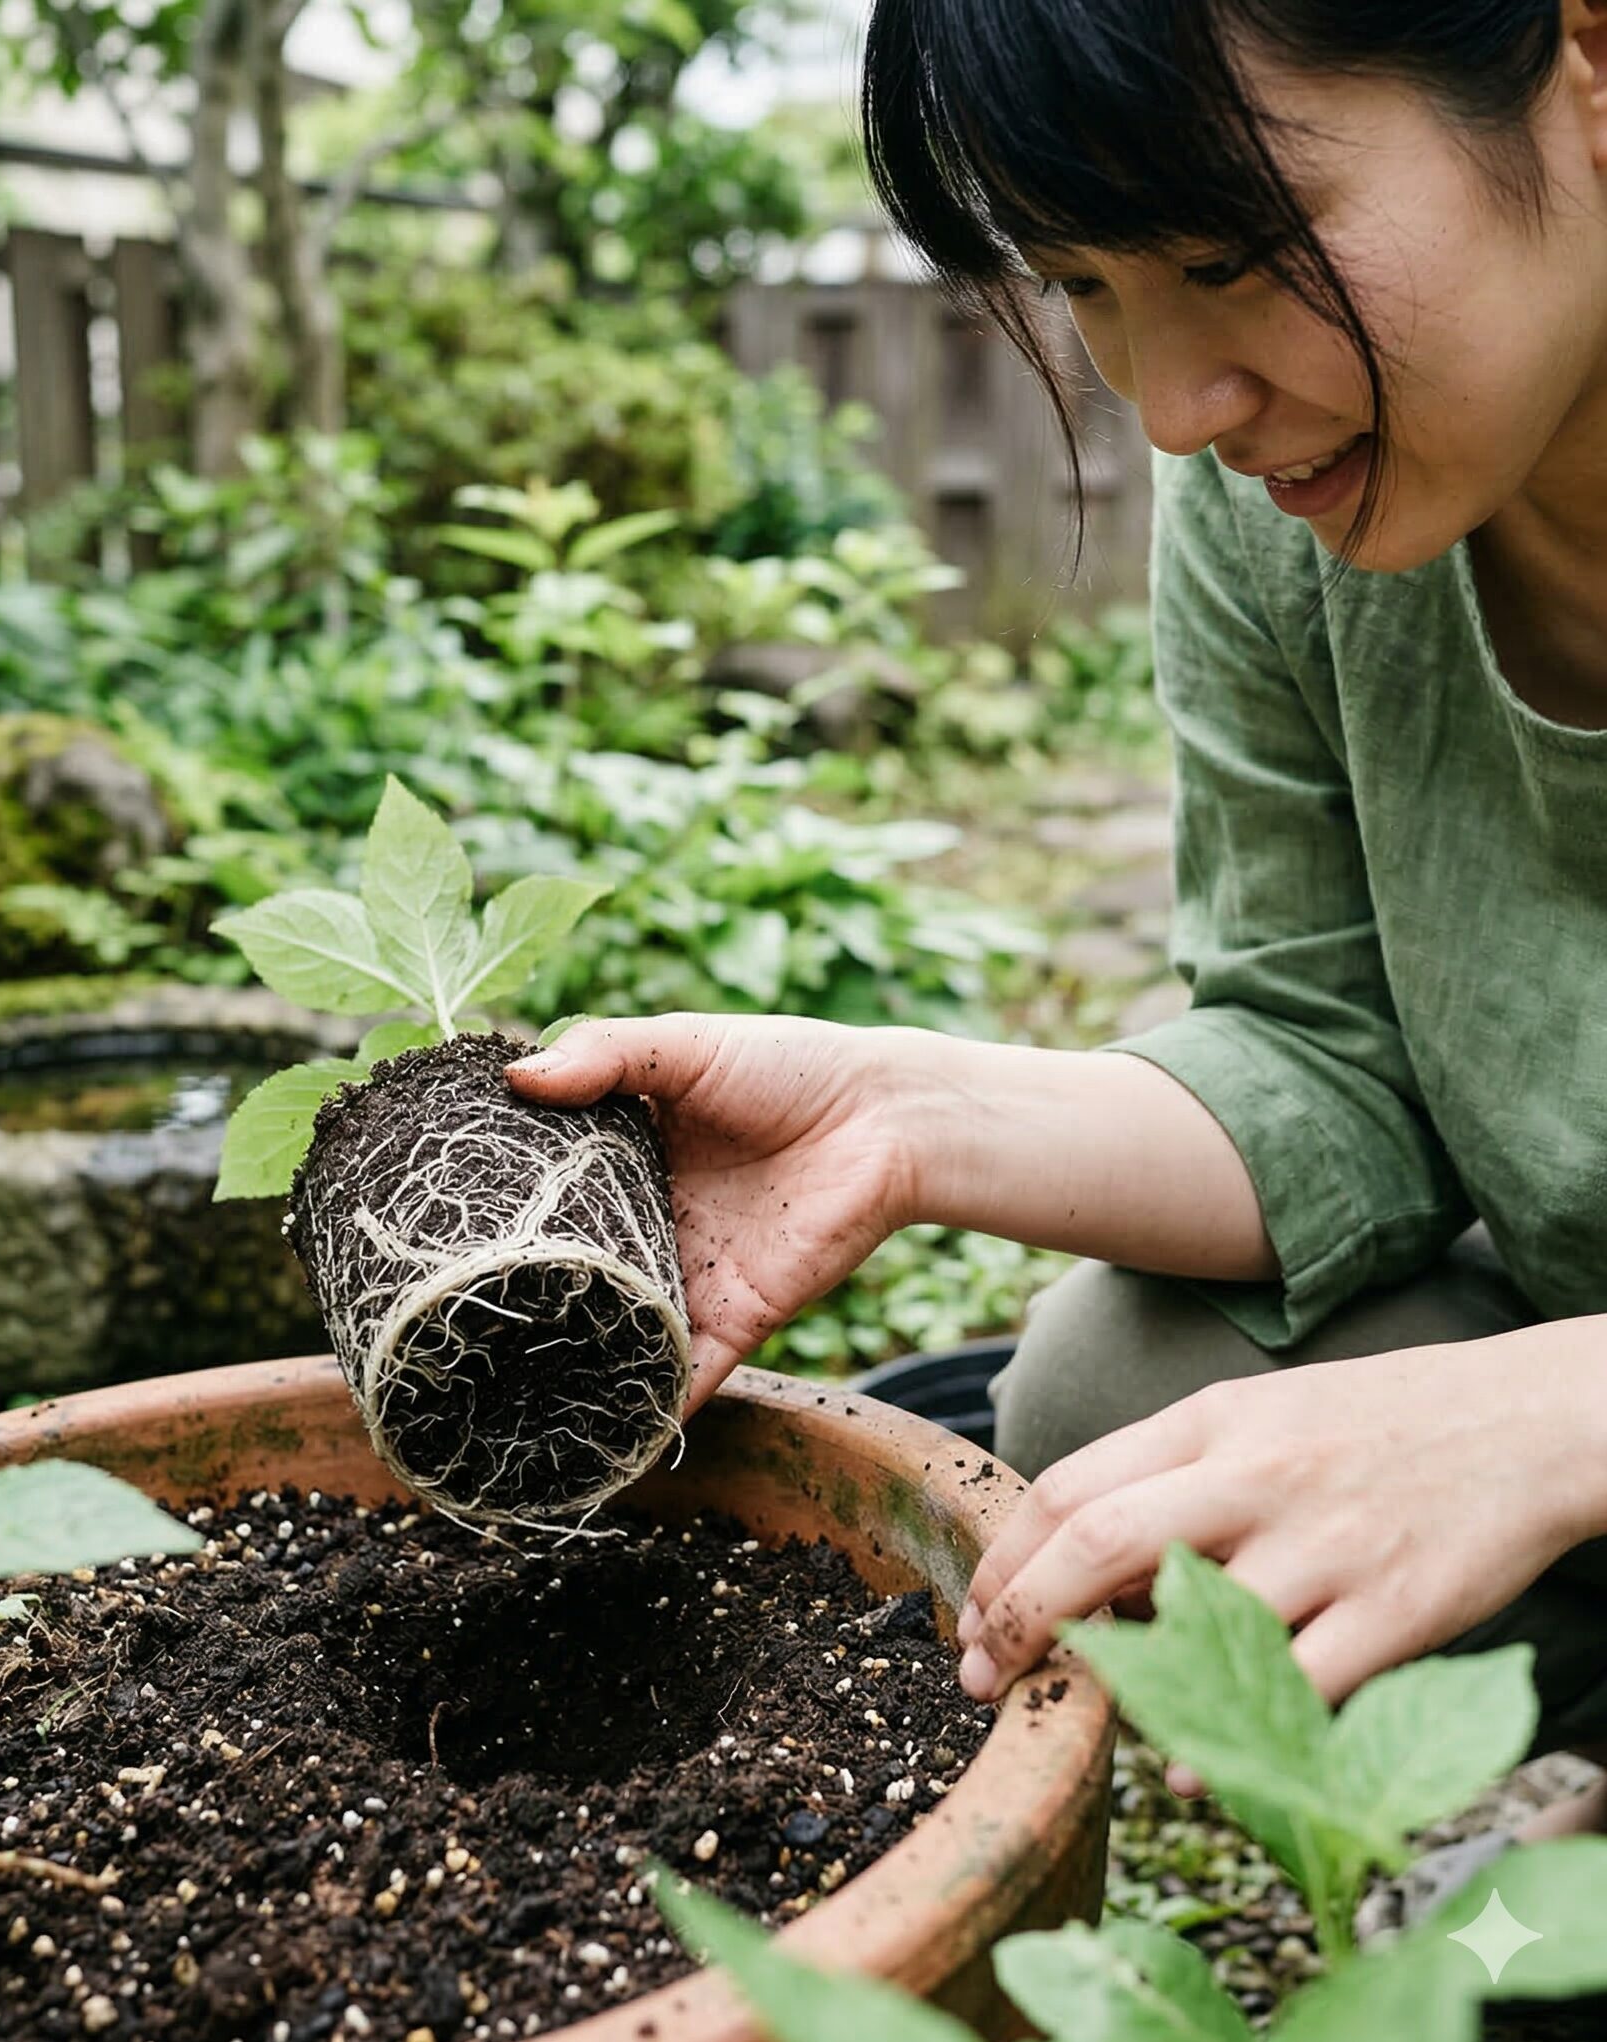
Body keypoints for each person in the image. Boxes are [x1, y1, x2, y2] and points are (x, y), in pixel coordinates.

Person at [505, 0, 1607, 1870]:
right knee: (1120, 1391)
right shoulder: (1292, 512)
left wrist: (1552, 1415)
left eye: (1228, 257)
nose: (1171, 406)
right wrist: (906, 1117)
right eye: (1086, 286)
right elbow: (1326, 1052)